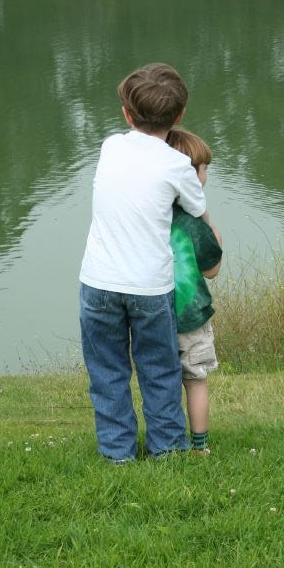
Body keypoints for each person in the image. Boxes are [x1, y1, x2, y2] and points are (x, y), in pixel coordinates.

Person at [79, 63, 207, 463]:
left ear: (126, 115)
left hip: (98, 282)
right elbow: (196, 205)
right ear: (180, 116)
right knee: (160, 369)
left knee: (108, 372)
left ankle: (117, 453)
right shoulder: (177, 165)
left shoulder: (110, 147)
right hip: (151, 287)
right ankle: (167, 449)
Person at [166, 128, 223, 456]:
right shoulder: (192, 223)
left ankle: (167, 439)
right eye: (202, 170)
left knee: (162, 378)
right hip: (191, 316)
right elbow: (212, 268)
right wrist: (211, 225)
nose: (205, 177)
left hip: (154, 311)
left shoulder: (152, 217)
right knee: (196, 379)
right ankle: (199, 446)